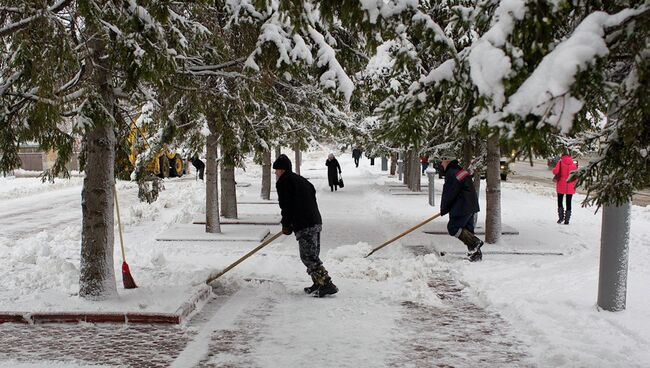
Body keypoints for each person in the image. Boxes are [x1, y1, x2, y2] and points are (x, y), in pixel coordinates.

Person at [273, 154, 338, 297]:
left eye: (276, 170)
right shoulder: (300, 180)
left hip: (304, 224)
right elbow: (311, 194)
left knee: (308, 256)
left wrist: (286, 224)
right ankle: (318, 283)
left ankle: (326, 284)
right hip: (315, 220)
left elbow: (286, 206)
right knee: (312, 254)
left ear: (282, 170)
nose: (275, 173)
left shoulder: (284, 182)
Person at [439, 153, 483, 262]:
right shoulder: (458, 170)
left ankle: (475, 243)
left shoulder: (451, 172)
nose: (441, 163)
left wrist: (444, 208)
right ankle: (475, 255)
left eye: (442, 161)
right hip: (470, 204)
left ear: (447, 161)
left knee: (453, 227)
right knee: (467, 231)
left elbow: (449, 192)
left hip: (463, 205)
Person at [553, 153, 578, 224]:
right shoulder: (573, 164)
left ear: (562, 156)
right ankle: (567, 220)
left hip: (561, 184)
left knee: (560, 201)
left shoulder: (560, 162)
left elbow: (555, 172)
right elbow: (575, 175)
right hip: (570, 185)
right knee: (569, 202)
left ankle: (561, 218)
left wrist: (555, 169)